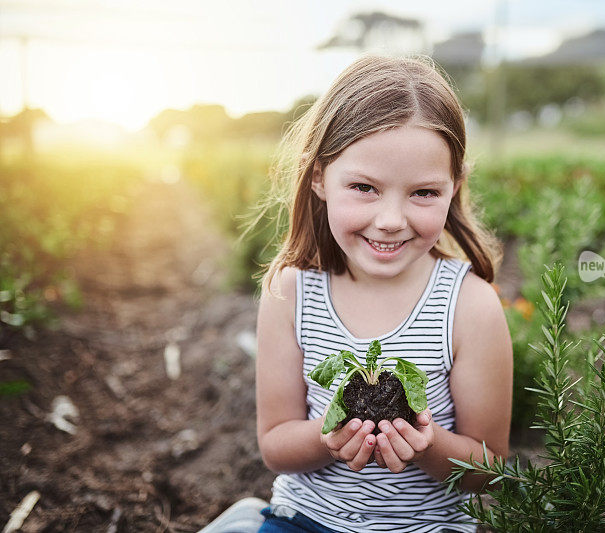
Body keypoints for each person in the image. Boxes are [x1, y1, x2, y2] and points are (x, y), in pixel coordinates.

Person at [202, 54, 513, 533]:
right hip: (305, 520)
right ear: (320, 177)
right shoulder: (292, 292)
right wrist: (329, 435)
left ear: (454, 187)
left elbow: (487, 467)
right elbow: (275, 445)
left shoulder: (469, 306)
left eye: (423, 193)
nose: (390, 219)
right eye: (365, 187)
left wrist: (427, 445)